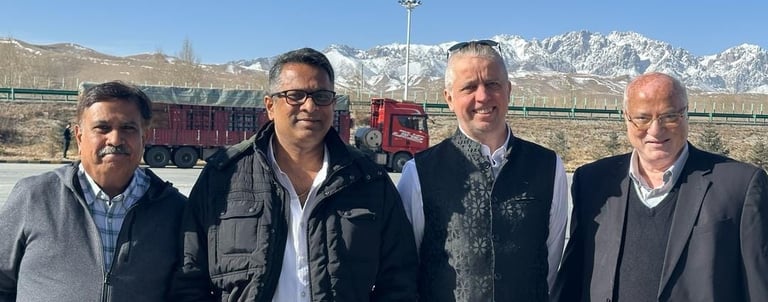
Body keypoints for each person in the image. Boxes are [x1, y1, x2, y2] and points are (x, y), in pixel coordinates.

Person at [171, 47, 418, 301]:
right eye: (295, 96)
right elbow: (189, 278)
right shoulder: (223, 176)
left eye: (321, 96)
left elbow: (399, 279)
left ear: (333, 104)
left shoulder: (369, 180)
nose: (310, 106)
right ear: (270, 105)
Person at [553, 72, 768, 301]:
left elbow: (758, 286)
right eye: (643, 118)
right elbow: (573, 278)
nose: (656, 130)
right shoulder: (593, 181)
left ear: (686, 114)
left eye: (669, 116)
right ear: (626, 117)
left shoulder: (740, 186)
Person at [397, 40, 569, 302]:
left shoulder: (548, 166)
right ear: (449, 98)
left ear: (508, 90)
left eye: (492, 84)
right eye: (469, 87)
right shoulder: (419, 173)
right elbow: (406, 269)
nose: (483, 96)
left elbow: (551, 259)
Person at [0, 81, 187, 301]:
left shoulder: (175, 210)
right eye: (102, 128)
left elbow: (186, 291)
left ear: (144, 138)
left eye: (128, 128)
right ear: (79, 137)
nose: (115, 139)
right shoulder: (34, 196)